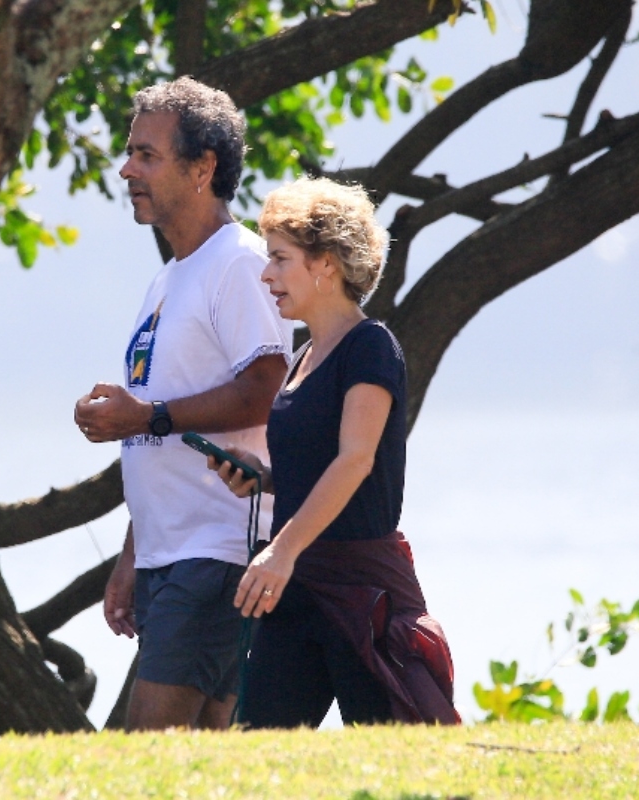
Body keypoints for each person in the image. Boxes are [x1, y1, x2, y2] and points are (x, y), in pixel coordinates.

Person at [72, 77, 293, 730]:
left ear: (203, 169)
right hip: (173, 552)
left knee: (148, 752)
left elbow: (265, 388)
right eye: (130, 152)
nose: (126, 168)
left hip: (218, 548)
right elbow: (158, 440)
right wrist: (133, 554)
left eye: (146, 155)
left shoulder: (239, 265)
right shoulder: (168, 279)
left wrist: (147, 415)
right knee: (199, 760)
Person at [207, 177, 460, 728]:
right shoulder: (301, 359)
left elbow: (355, 461)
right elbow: (320, 464)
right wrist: (263, 478)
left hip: (359, 589)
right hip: (298, 585)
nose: (266, 273)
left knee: (398, 760)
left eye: (279, 258)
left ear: (324, 264)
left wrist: (279, 552)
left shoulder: (370, 347)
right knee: (259, 748)